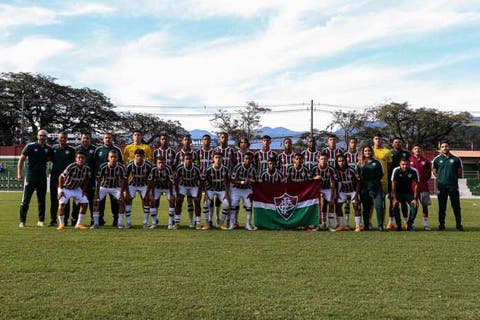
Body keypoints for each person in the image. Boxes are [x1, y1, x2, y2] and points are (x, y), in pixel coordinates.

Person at [17, 129, 53, 227]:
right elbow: (21, 160)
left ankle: (41, 221)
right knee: (25, 200)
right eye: (40, 135)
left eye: (44, 136)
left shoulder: (48, 148)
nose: (42, 137)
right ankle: (22, 221)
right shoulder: (30, 146)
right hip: (30, 176)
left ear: (46, 137)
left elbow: (51, 159)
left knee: (42, 200)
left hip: (42, 177)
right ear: (37, 136)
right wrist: (19, 174)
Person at [91, 150, 127, 229]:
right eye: (111, 157)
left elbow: (123, 180)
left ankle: (120, 223)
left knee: (122, 201)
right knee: (96, 201)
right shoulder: (103, 166)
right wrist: (97, 194)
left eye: (115, 157)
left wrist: (121, 193)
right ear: (108, 158)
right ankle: (96, 223)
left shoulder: (121, 167)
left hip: (115, 187)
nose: (113, 159)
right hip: (104, 187)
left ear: (117, 158)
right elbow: (99, 180)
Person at [432, 141, 464, 231]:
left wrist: (452, 178)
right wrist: (441, 178)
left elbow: (459, 171)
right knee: (442, 207)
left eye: (446, 146)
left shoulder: (456, 159)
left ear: (449, 147)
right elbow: (434, 171)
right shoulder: (437, 159)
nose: (444, 148)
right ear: (440, 148)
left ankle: (458, 225)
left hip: (453, 186)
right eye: (442, 146)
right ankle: (441, 225)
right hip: (442, 187)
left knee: (456, 206)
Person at [56, 151, 91, 230]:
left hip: (76, 189)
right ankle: (61, 224)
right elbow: (61, 177)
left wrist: (84, 190)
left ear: (85, 159)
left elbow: (86, 179)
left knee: (85, 203)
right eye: (79, 158)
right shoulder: (72, 166)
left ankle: (78, 224)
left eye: (82, 158)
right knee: (62, 204)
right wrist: (61, 190)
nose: (80, 159)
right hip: (65, 188)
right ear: (76, 159)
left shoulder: (87, 168)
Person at [94, 132, 124, 226]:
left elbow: (121, 164)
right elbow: (95, 162)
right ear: (103, 139)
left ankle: (116, 221)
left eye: (109, 138)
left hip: (115, 183)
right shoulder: (98, 149)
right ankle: (98, 221)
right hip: (102, 182)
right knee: (99, 202)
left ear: (112, 139)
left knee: (115, 203)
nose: (107, 139)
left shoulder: (117, 149)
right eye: (106, 138)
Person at [49, 132, 76, 226]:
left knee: (66, 200)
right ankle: (53, 220)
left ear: (67, 138)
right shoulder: (54, 148)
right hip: (54, 177)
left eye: (64, 138)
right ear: (58, 138)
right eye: (61, 138)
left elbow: (74, 163)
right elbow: (51, 159)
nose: (63, 139)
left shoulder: (72, 150)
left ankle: (65, 220)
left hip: (66, 179)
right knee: (54, 199)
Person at [357, 145, 384, 231]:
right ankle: (366, 226)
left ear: (371, 152)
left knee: (379, 206)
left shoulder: (377, 162)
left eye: (369, 151)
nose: (367, 152)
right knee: (366, 208)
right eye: (365, 151)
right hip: (365, 189)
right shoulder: (360, 163)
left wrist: (374, 182)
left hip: (376, 188)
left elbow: (381, 174)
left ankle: (380, 225)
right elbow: (358, 176)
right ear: (363, 153)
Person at [71, 132, 96, 226]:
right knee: (77, 200)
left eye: (88, 138)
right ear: (81, 139)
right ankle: (74, 220)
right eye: (84, 138)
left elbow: (96, 164)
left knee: (91, 200)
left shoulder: (94, 149)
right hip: (78, 180)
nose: (86, 140)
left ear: (90, 139)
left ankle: (94, 220)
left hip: (91, 179)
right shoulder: (76, 149)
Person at [124, 149, 152, 229]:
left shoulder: (148, 165)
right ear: (134, 156)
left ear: (144, 157)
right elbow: (125, 179)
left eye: (141, 156)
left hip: (144, 185)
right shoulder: (130, 165)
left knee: (147, 199)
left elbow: (151, 179)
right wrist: (126, 191)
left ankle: (145, 222)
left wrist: (148, 191)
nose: (139, 158)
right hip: (132, 185)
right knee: (127, 199)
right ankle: (128, 222)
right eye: (137, 156)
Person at [175, 134, 198, 228]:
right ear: (182, 141)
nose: (187, 141)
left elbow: (197, 167)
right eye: (185, 140)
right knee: (179, 201)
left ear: (191, 141)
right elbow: (175, 167)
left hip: (192, 182)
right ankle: (176, 222)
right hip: (182, 183)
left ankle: (191, 221)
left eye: (188, 140)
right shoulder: (178, 154)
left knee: (190, 201)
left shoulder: (195, 154)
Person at [229, 152, 257, 231]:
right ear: (243, 159)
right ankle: (232, 224)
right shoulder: (238, 167)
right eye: (246, 159)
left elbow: (256, 180)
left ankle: (248, 224)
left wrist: (250, 181)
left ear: (251, 160)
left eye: (249, 159)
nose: (247, 160)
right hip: (236, 189)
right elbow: (232, 180)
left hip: (247, 189)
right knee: (234, 205)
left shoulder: (253, 168)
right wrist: (241, 182)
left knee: (248, 205)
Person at [203, 152, 231, 230]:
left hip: (221, 190)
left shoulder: (225, 169)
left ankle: (222, 223)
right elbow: (204, 182)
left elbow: (228, 181)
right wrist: (206, 194)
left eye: (219, 157)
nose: (218, 159)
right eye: (216, 157)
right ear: (213, 159)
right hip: (210, 189)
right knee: (206, 203)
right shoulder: (208, 169)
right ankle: (207, 223)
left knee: (227, 204)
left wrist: (227, 193)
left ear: (222, 159)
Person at [175, 153, 203, 229]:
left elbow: (201, 181)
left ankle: (198, 222)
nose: (188, 161)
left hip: (193, 186)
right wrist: (177, 193)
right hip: (183, 186)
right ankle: (177, 222)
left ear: (192, 160)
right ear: (183, 160)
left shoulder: (197, 168)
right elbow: (176, 180)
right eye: (186, 159)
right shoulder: (179, 168)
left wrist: (199, 193)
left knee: (197, 201)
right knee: (178, 201)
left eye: (190, 159)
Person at [147, 156, 176, 229]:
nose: (161, 164)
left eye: (163, 163)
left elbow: (171, 182)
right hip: (157, 187)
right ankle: (154, 223)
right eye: (159, 163)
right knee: (153, 202)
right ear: (156, 163)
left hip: (167, 188)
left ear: (165, 163)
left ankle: (170, 223)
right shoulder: (153, 169)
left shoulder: (168, 169)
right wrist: (151, 194)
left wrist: (172, 194)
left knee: (172, 201)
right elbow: (151, 182)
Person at [389, 137, 412, 229]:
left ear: (402, 143)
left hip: (405, 181)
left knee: (404, 203)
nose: (397, 143)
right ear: (392, 144)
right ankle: (391, 222)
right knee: (392, 201)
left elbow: (410, 165)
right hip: (393, 180)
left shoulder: (406, 153)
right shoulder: (389, 153)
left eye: (399, 142)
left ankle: (405, 222)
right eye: (395, 142)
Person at [311, 152, 337, 231]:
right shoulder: (314, 168)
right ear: (318, 160)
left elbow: (333, 182)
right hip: (317, 189)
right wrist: (315, 178)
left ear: (328, 160)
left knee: (331, 203)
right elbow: (309, 180)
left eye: (325, 159)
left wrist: (333, 193)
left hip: (327, 188)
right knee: (318, 204)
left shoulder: (331, 169)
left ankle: (331, 225)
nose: (323, 160)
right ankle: (317, 225)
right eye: (321, 159)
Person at [391, 158, 419, 231]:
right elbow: (393, 185)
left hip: (409, 193)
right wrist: (394, 199)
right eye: (403, 164)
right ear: (400, 164)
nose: (405, 166)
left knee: (415, 205)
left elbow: (416, 185)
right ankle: (399, 226)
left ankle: (409, 225)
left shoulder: (413, 171)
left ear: (409, 164)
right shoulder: (396, 170)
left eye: (406, 164)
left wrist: (415, 199)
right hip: (398, 193)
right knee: (395, 205)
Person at [334, 154, 361, 232]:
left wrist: (356, 195)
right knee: (338, 205)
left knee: (356, 205)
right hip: (343, 192)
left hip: (353, 191)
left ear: (346, 161)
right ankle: (341, 225)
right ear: (337, 162)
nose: (341, 163)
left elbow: (358, 182)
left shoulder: (351, 170)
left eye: (343, 161)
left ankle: (358, 225)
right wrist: (337, 194)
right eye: (339, 161)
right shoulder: (336, 171)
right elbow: (335, 183)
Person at [409, 144, 432, 230]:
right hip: (412, 188)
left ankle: (425, 224)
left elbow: (429, 174)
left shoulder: (426, 161)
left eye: (419, 148)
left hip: (423, 187)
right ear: (412, 151)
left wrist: (422, 180)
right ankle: (412, 223)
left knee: (425, 206)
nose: (417, 150)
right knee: (413, 206)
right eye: (415, 149)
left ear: (421, 150)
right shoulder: (409, 160)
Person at [372, 133, 392, 228]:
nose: (378, 140)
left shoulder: (387, 151)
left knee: (382, 203)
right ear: (373, 140)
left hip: (383, 181)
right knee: (370, 203)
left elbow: (388, 167)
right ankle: (369, 222)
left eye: (379, 139)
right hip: (372, 181)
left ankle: (382, 223)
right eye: (376, 138)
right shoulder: (369, 151)